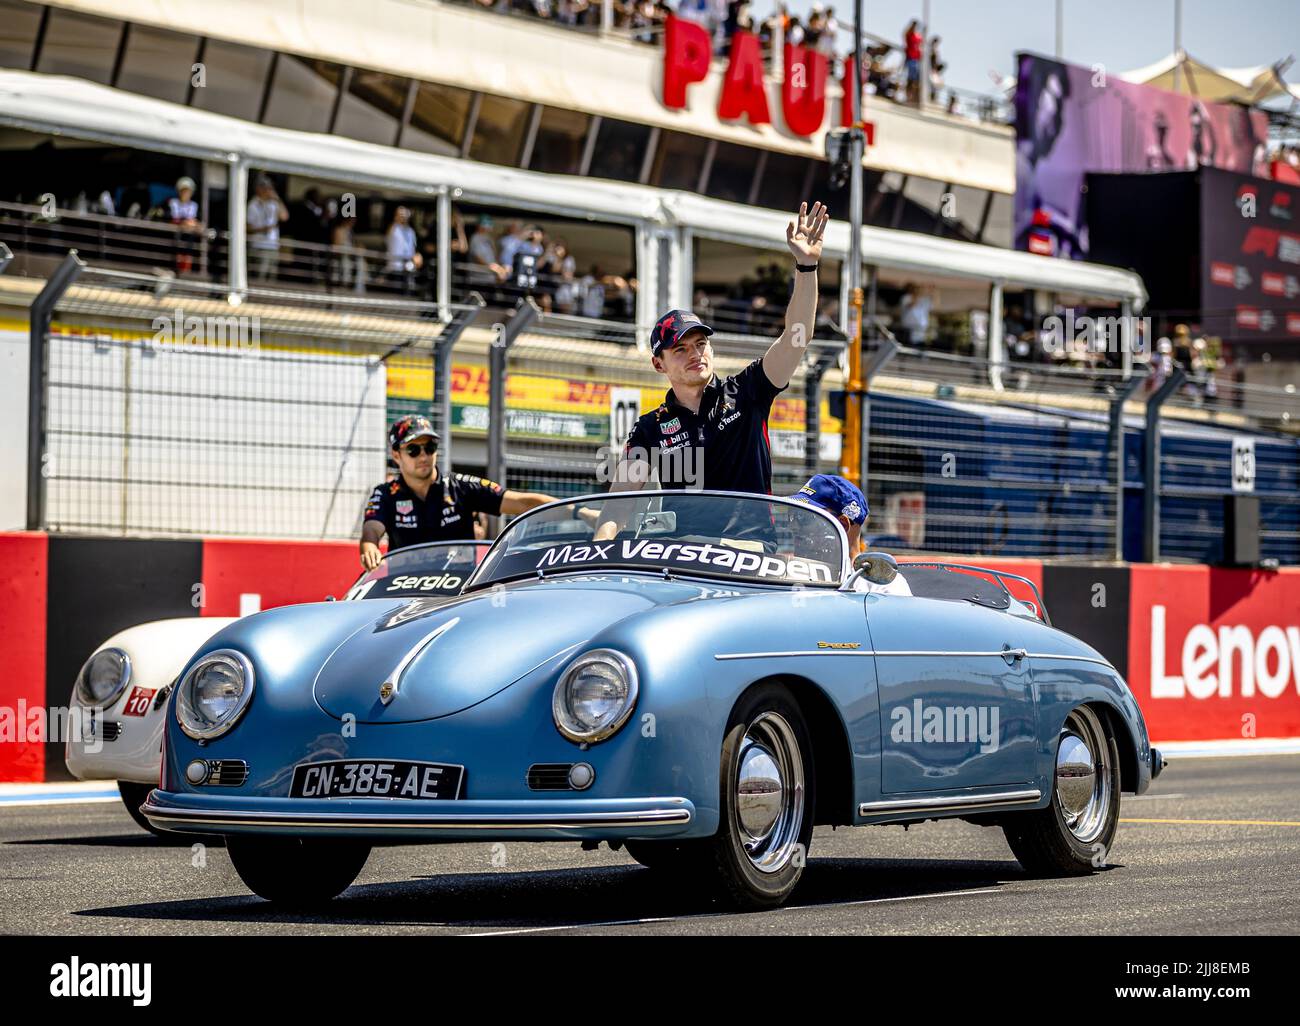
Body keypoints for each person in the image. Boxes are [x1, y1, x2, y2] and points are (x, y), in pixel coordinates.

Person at [595, 201, 829, 540]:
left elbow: (797, 337)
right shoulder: (650, 428)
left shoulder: (748, 391)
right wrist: (599, 557)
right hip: (682, 560)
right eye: (681, 348)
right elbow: (617, 507)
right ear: (658, 364)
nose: (695, 354)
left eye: (700, 344)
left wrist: (806, 267)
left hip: (749, 556)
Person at [359, 415, 557, 569]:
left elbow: (522, 502)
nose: (424, 456)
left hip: (456, 592)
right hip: (404, 591)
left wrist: (580, 512)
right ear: (396, 454)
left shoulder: (461, 487)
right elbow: (372, 530)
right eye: (413, 449)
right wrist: (370, 547)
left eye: (430, 447)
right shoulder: (386, 493)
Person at [789, 474, 912, 595]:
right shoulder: (787, 575)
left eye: (803, 517)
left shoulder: (883, 586)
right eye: (792, 515)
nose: (793, 526)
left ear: (842, 524)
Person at [247, 175, 288, 282]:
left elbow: (284, 217)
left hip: (273, 246)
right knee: (259, 276)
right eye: (265, 188)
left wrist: (278, 200)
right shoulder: (253, 204)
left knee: (272, 277)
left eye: (269, 188)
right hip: (259, 246)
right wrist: (263, 229)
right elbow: (247, 227)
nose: (268, 190)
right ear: (258, 189)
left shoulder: (274, 203)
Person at [167, 176, 201, 274]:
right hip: (176, 236)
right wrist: (184, 222)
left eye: (188, 191)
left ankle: (185, 272)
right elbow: (174, 218)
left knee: (187, 253)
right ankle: (177, 270)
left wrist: (194, 224)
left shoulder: (194, 205)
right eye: (183, 191)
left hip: (188, 236)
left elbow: (193, 220)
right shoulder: (173, 203)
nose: (185, 194)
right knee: (178, 254)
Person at [385, 206, 422, 293]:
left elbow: (413, 247)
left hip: (408, 268)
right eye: (401, 214)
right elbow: (388, 235)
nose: (403, 217)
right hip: (395, 267)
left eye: (405, 214)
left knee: (407, 292)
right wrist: (397, 218)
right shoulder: (393, 228)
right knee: (394, 293)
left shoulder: (410, 231)